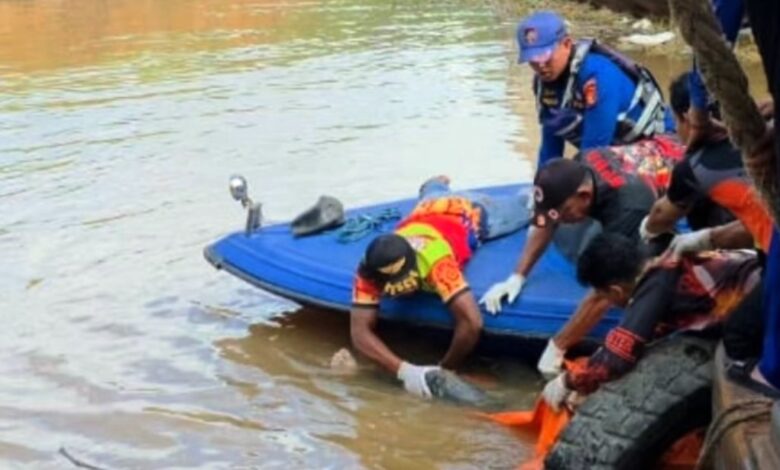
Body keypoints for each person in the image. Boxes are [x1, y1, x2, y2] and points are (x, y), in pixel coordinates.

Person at [480, 141, 682, 377]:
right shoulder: (577, 167)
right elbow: (547, 219)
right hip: (641, 162)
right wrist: (517, 276)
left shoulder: (628, 207)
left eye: (565, 212)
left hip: (669, 182)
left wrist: (558, 346)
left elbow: (606, 289)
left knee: (636, 273)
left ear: (584, 196)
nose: (560, 220)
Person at [350, 176, 529, 398]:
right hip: (427, 207)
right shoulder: (369, 269)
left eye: (401, 284)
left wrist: (445, 370)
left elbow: (472, 322)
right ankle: (434, 185)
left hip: (470, 212)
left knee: (529, 204)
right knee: (433, 194)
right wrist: (405, 372)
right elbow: (359, 332)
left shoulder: (436, 260)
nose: (397, 292)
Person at [541, 233, 761, 410]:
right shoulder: (662, 265)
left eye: (602, 294)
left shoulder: (656, 286)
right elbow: (642, 334)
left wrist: (568, 382)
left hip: (762, 302)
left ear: (615, 291)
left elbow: (617, 360)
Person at [640, 72, 775, 255]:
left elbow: (661, 215)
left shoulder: (696, 166)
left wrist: (646, 230)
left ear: (686, 119)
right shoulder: (766, 126)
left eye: (676, 120)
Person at [516, 10, 675, 166]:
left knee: (584, 172)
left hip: (660, 148)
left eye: (545, 57)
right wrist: (542, 181)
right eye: (532, 60)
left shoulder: (597, 76)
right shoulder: (543, 84)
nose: (540, 66)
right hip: (618, 148)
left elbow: (593, 154)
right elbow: (550, 151)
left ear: (567, 44)